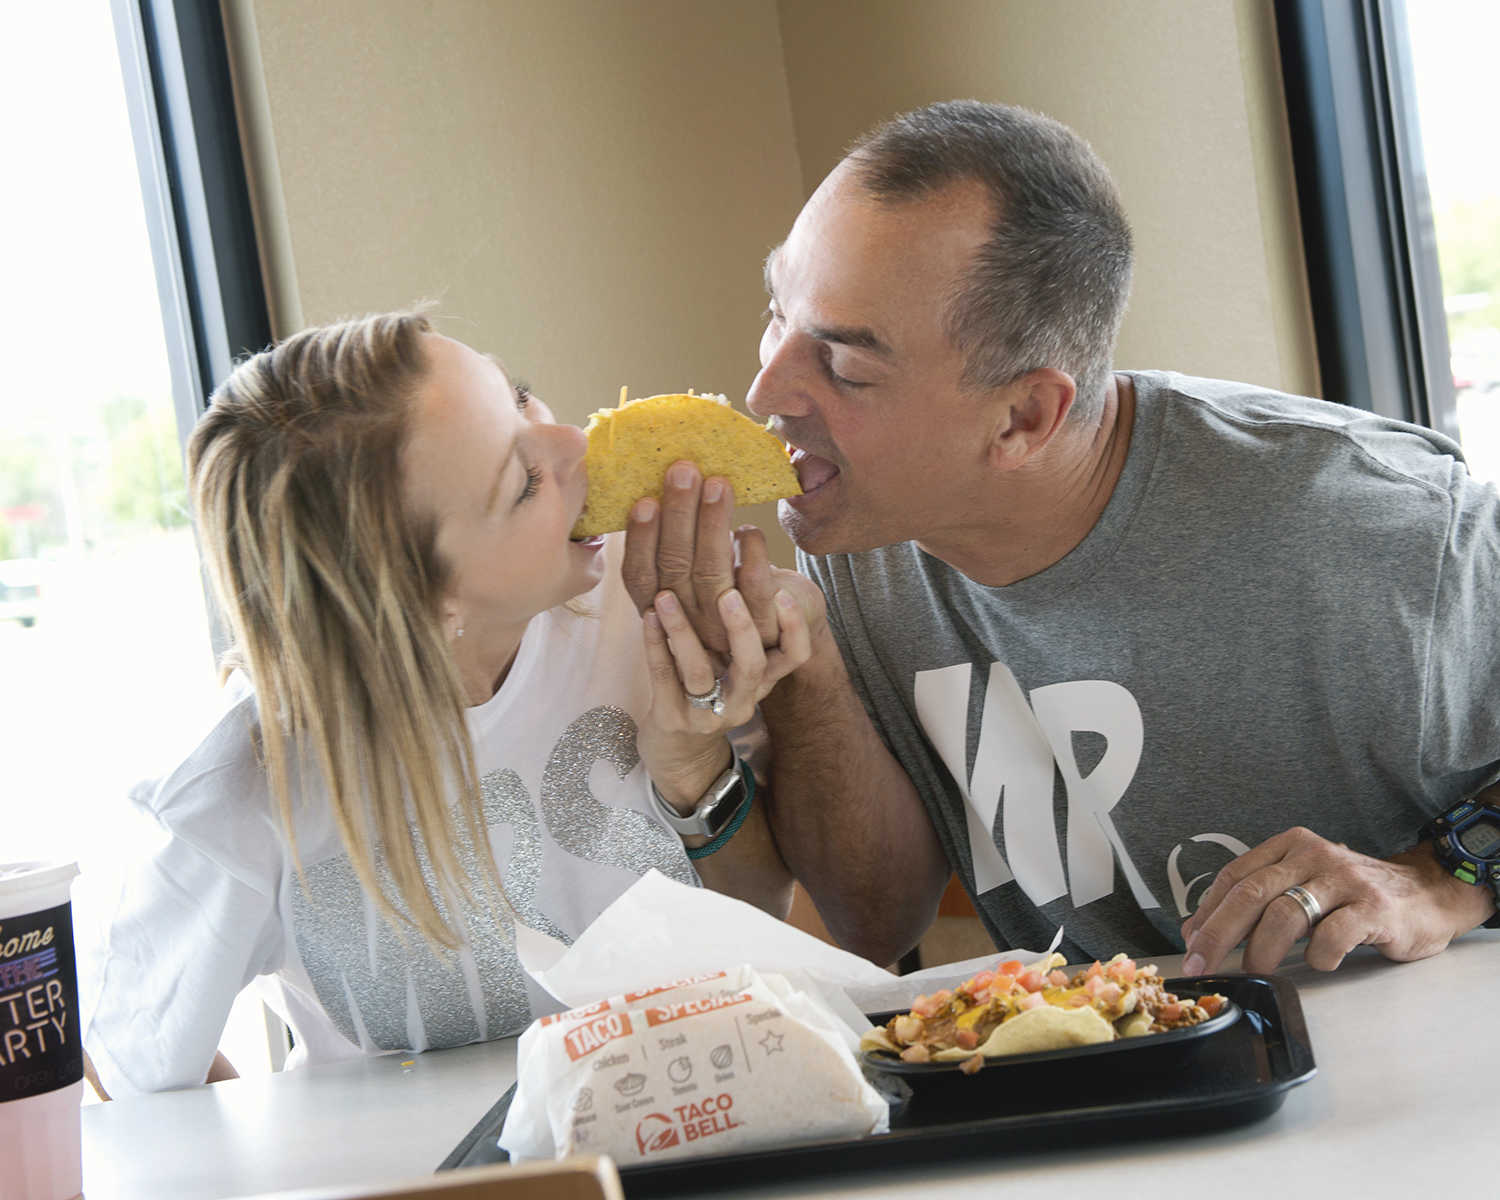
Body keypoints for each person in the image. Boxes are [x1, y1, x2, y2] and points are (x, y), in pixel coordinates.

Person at [622, 99, 1500, 979]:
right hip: (1119, 1077)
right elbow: (875, 922)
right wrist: (809, 671)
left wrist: (1446, 876)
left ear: (1024, 417)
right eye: (777, 311)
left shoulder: (1364, 520)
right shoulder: (861, 524)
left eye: (845, 365)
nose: (765, 390)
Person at [82, 311, 804, 1097]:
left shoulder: (658, 609)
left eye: (520, 396)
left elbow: (788, 933)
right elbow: (135, 1080)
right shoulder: (243, 788)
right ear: (430, 603)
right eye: (523, 483)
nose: (575, 444)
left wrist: (700, 757)